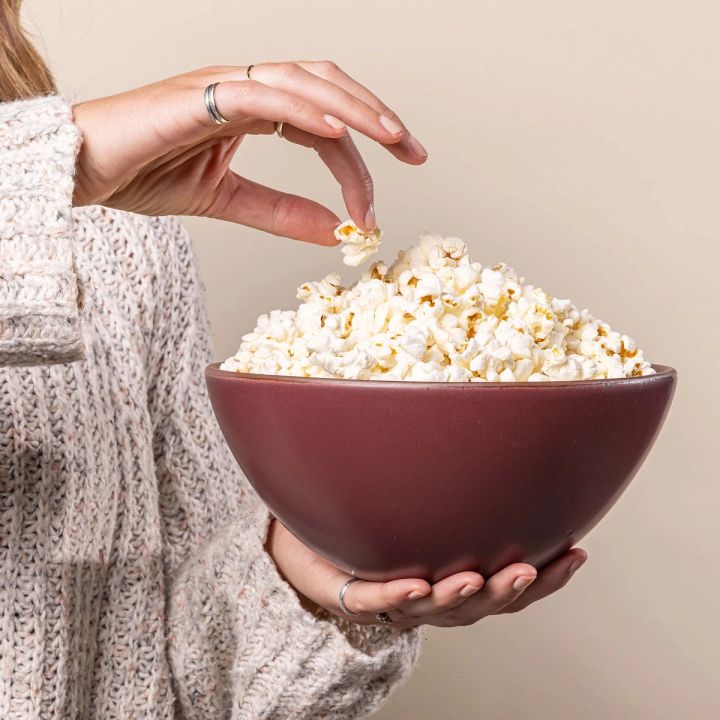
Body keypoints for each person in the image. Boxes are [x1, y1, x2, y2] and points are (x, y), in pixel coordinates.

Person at [0, 3, 587, 718]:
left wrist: (300, 584)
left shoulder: (122, 238)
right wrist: (48, 168)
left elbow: (182, 679)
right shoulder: (64, 181)